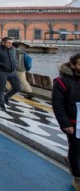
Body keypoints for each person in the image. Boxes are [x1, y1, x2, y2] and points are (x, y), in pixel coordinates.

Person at [52, 53, 80, 191]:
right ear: (74, 66)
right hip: (73, 122)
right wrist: (65, 124)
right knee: (76, 149)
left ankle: (72, 162)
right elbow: (57, 104)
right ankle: (77, 179)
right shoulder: (62, 81)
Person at [0, 37, 20, 112]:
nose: (10, 44)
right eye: (8, 43)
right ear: (3, 43)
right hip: (2, 72)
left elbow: (15, 58)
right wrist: (2, 64)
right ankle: (1, 105)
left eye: (11, 43)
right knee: (2, 89)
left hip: (13, 72)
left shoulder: (13, 49)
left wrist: (16, 64)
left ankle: (6, 97)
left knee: (17, 88)